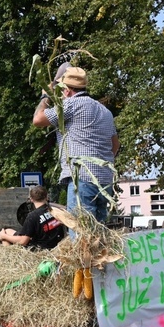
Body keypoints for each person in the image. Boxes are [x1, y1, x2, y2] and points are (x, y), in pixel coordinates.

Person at [33, 66, 120, 223]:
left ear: (66, 90)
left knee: (81, 232)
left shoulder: (71, 105)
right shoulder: (105, 111)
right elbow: (115, 144)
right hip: (105, 181)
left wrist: (45, 97)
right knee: (99, 234)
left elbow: (38, 120)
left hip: (82, 179)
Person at [0, 185, 65, 250]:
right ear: (46, 197)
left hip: (40, 249)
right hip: (55, 246)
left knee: (5, 235)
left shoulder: (32, 216)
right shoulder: (54, 210)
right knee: (9, 231)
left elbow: (23, 241)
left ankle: (10, 259)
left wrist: (4, 236)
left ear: (31, 199)